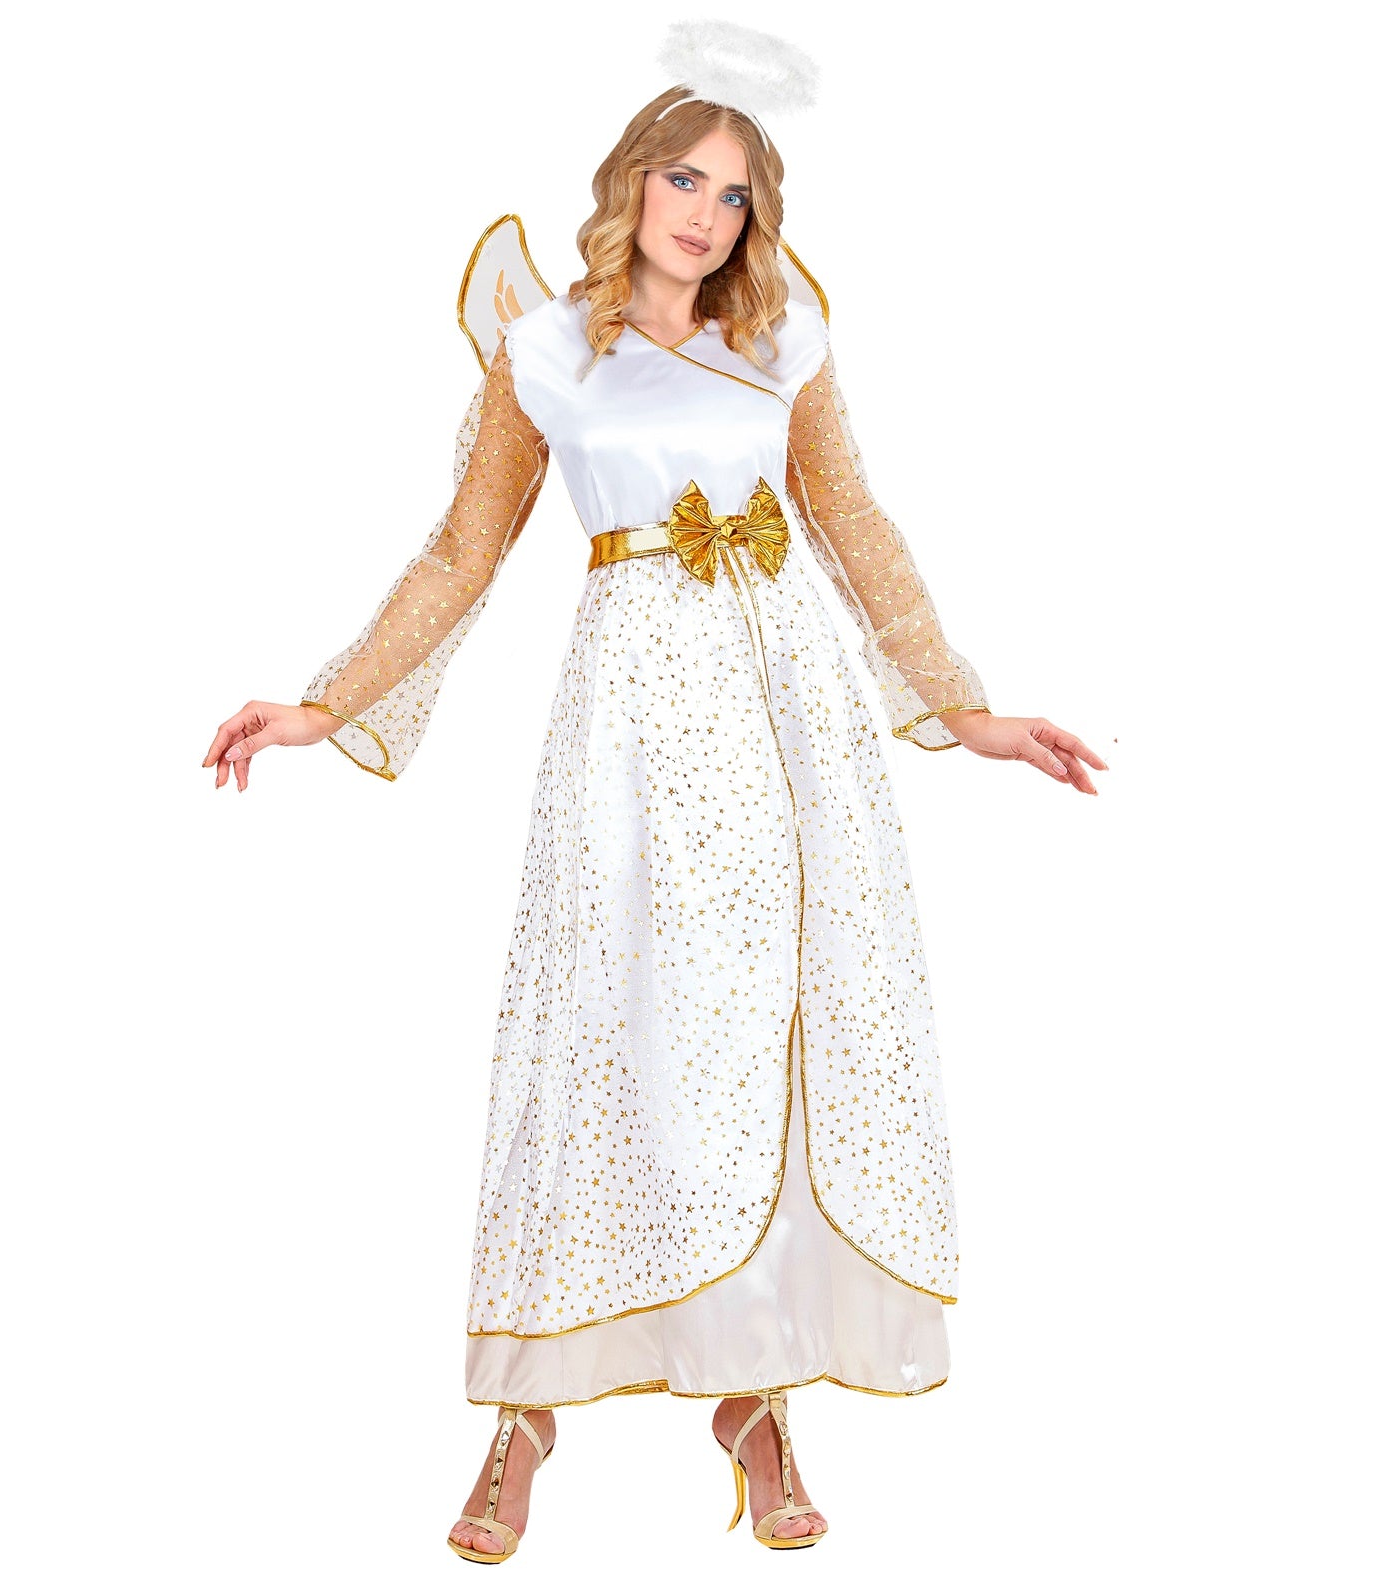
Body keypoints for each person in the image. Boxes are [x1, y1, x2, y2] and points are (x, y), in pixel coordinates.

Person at [204, 44, 1106, 1565]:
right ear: (631, 180)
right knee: (604, 1025)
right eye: (684, 177)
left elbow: (853, 521)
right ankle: (524, 1410)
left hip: (786, 720)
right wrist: (326, 702)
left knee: (761, 1030)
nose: (704, 212)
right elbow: (462, 551)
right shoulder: (547, 350)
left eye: (735, 193)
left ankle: (755, 1397)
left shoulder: (781, 336)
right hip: (634, 717)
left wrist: (964, 708)